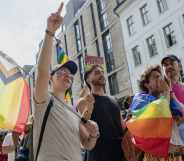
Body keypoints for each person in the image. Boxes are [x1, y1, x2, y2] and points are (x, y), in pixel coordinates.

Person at [33, 2, 99, 161]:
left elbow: (87, 144)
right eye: (62, 72)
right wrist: (50, 32)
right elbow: (41, 73)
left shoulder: (73, 112)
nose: (67, 75)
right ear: (51, 79)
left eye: (70, 74)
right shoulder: (44, 101)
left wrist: (95, 133)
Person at [129, 65, 184, 161]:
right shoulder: (140, 100)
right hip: (156, 157)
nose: (160, 79)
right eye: (155, 77)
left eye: (160, 76)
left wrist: (170, 93)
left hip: (175, 154)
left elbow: (181, 114)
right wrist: (167, 92)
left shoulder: (167, 98)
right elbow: (157, 115)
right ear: (147, 84)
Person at [77, 65, 126, 161]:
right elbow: (84, 131)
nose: (101, 75)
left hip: (119, 154)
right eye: (96, 73)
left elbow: (122, 126)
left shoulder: (113, 99)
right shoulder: (84, 102)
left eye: (102, 72)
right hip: (98, 156)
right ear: (87, 80)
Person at [161, 55, 184, 145]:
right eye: (165, 65)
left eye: (171, 63)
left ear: (180, 66)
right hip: (174, 144)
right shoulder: (161, 91)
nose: (169, 66)